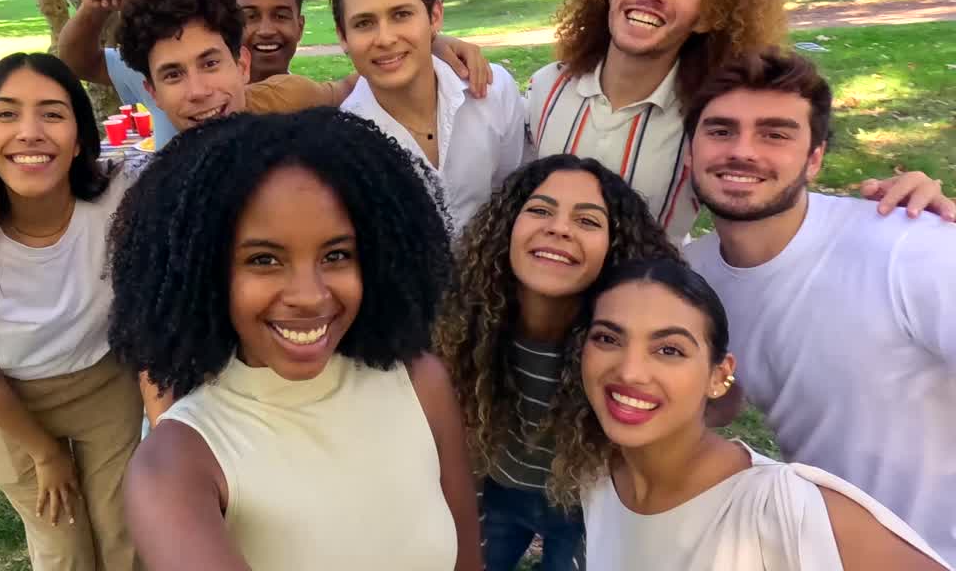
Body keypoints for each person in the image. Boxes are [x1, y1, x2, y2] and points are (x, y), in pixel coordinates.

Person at [108, 108, 482, 571]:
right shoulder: (177, 464)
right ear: (205, 272)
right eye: (264, 260)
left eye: (337, 255)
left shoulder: (420, 383)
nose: (309, 296)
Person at [526, 0, 955, 242]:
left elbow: (778, 203)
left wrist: (903, 201)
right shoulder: (547, 88)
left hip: (640, 322)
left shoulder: (713, 120)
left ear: (707, 17)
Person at [681, 50, 956, 563]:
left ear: (814, 157)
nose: (742, 151)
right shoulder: (695, 276)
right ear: (691, 151)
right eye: (720, 131)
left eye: (775, 134)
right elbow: (722, 402)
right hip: (825, 549)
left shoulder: (908, 247)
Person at [538, 258, 949, 570]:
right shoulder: (598, 478)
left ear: (719, 376)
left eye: (669, 350)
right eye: (608, 338)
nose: (629, 371)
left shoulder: (785, 509)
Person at [0, 53, 141, 571]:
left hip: (105, 387)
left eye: (53, 114)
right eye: (7, 114)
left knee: (123, 534)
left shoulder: (118, 196)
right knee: (66, 549)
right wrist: (45, 452)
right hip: (13, 407)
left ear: (80, 137)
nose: (30, 132)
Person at [435, 154, 680, 571]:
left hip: (584, 505)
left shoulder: (624, 347)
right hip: (499, 488)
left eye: (587, 221)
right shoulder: (466, 323)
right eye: (540, 210)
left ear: (615, 248)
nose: (559, 227)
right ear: (506, 227)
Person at [57, 0, 492, 148]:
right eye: (250, 15)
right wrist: (96, 7)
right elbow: (76, 61)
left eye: (211, 64)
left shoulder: (295, 96)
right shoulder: (168, 68)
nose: (198, 90)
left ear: (238, 61)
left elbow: (357, 81)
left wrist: (429, 44)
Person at [330, 0, 526, 231]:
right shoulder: (342, 144)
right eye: (364, 23)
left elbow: (515, 197)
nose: (385, 38)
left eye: (401, 15)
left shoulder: (492, 92)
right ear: (343, 37)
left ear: (434, 17)